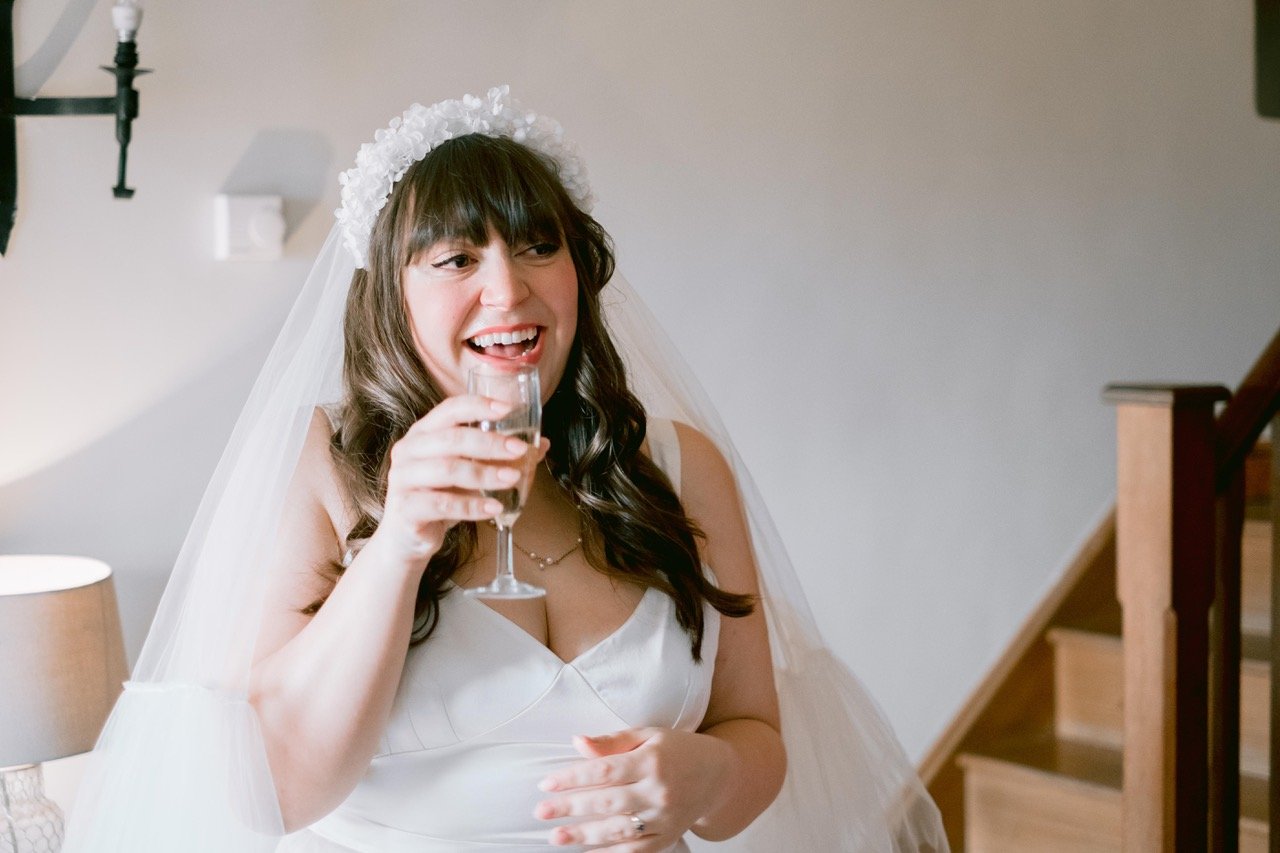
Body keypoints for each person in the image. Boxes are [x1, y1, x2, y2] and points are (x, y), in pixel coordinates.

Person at [63, 87, 948, 852]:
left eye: (536, 246)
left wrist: (707, 776)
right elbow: (278, 789)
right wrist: (403, 539)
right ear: (392, 294)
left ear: (578, 271)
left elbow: (757, 738)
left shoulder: (680, 467)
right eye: (456, 258)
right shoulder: (321, 466)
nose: (507, 290)